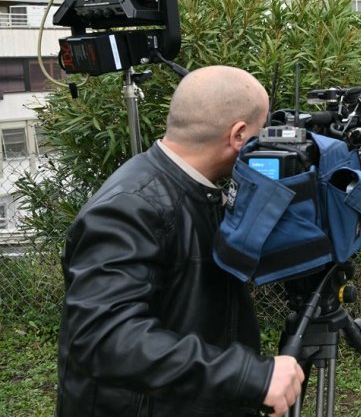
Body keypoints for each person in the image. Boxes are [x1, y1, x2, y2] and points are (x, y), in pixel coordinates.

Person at [57, 65, 305, 417]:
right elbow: (102, 337)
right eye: (260, 131)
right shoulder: (132, 206)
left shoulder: (198, 190)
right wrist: (248, 375)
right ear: (238, 135)